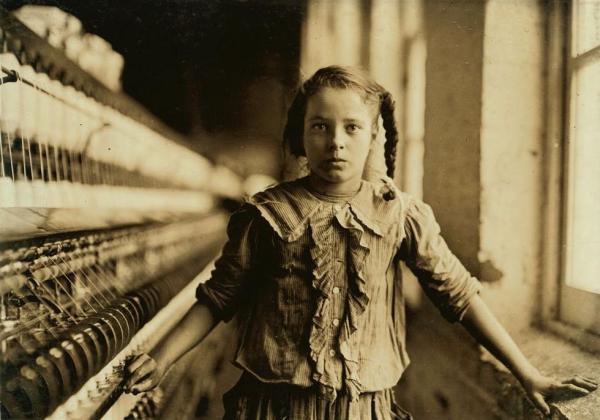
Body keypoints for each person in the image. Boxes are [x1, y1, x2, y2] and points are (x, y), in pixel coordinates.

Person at [124, 65, 597, 419]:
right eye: (320, 126)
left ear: (374, 136)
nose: (336, 142)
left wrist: (527, 372)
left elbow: (460, 294)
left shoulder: (401, 214)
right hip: (272, 405)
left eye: (352, 128)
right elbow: (217, 298)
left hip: (363, 408)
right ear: (300, 135)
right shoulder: (264, 215)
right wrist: (161, 360)